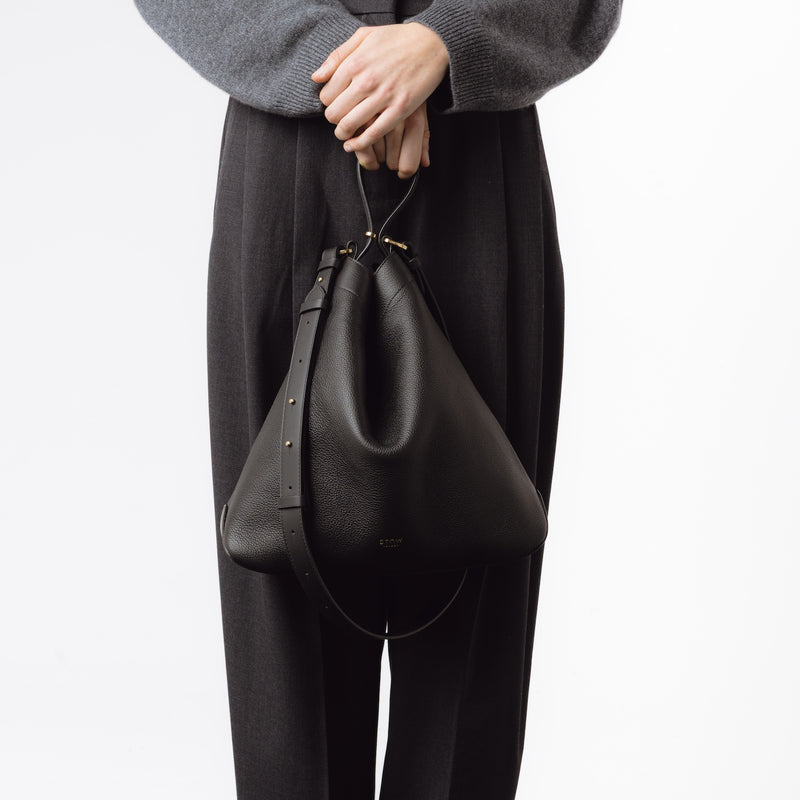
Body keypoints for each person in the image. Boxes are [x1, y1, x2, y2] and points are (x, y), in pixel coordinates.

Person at [132, 1, 622, 798]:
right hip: (286, 158)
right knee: (285, 638)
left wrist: (445, 42)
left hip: (477, 162)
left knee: (474, 621)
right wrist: (348, 68)